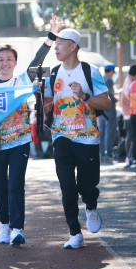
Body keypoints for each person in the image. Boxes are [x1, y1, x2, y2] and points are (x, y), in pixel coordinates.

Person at [0, 15, 63, 246]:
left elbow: (38, 60)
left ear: (15, 63)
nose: (5, 63)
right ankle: (3, 224)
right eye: (1, 59)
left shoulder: (23, 81)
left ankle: (17, 228)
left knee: (16, 183)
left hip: (19, 142)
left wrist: (51, 35)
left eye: (9, 59)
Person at [43, 29, 111, 249]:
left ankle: (91, 206)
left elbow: (106, 103)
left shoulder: (90, 71)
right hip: (61, 136)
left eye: (60, 43)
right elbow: (47, 107)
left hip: (87, 138)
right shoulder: (53, 73)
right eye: (55, 44)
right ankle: (74, 232)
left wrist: (84, 96)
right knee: (67, 186)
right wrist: (38, 94)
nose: (56, 48)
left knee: (86, 186)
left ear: (73, 46)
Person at [121, 65, 136, 164]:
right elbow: (131, 98)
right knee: (131, 137)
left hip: (128, 113)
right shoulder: (130, 83)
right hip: (129, 113)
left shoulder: (128, 81)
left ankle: (129, 157)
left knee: (130, 136)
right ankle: (129, 157)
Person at [98, 64, 118, 161]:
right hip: (109, 107)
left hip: (100, 107)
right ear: (111, 71)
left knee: (101, 131)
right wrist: (115, 99)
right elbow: (109, 93)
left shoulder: (101, 79)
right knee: (110, 130)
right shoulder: (109, 80)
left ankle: (101, 153)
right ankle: (108, 154)